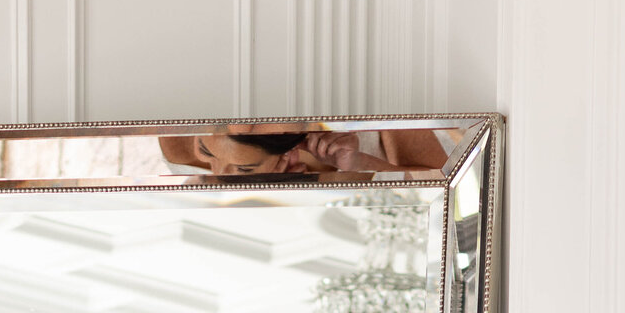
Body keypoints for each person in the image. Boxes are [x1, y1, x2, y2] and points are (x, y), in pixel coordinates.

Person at [158, 122, 452, 178]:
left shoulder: (182, 149)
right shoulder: (183, 151)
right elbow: (441, 192)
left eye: (244, 169)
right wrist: (360, 164)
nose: (216, 177)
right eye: (206, 152)